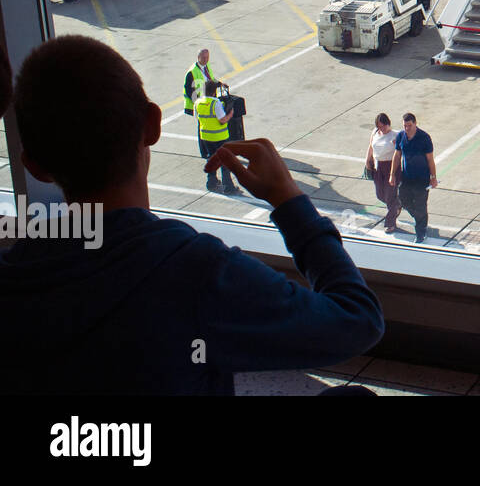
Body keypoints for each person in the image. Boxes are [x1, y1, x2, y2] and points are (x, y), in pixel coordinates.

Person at [1, 35, 384, 395]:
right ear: (152, 125)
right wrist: (290, 203)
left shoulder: (18, 270)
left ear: (35, 166)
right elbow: (357, 321)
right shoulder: (194, 271)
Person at [391, 112, 437, 244]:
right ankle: (420, 219)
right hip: (406, 177)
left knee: (421, 205)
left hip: (422, 179)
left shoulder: (424, 138)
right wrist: (392, 174)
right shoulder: (401, 136)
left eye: (409, 125)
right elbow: (397, 156)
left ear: (415, 124)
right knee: (403, 200)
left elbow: (430, 160)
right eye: (405, 126)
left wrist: (433, 177)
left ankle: (421, 233)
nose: (407, 128)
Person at [195, 79, 240, 195]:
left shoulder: (198, 102)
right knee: (225, 162)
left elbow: (198, 118)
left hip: (205, 136)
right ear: (214, 92)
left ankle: (211, 182)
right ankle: (228, 186)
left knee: (211, 159)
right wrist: (230, 114)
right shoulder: (216, 104)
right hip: (219, 137)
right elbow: (222, 120)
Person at [366, 113, 401, 234]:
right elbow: (371, 147)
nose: (381, 129)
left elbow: (399, 153)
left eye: (383, 126)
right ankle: (397, 205)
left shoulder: (395, 135)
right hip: (378, 167)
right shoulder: (375, 132)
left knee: (390, 196)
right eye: (379, 126)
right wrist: (367, 161)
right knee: (380, 195)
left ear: (388, 124)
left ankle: (390, 223)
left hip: (391, 167)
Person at [183, 48, 217, 119]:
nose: (206, 60)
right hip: (197, 105)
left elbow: (210, 79)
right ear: (198, 58)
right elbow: (189, 92)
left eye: (207, 57)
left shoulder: (206, 65)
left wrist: (219, 84)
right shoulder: (192, 72)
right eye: (204, 58)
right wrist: (201, 103)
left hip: (206, 102)